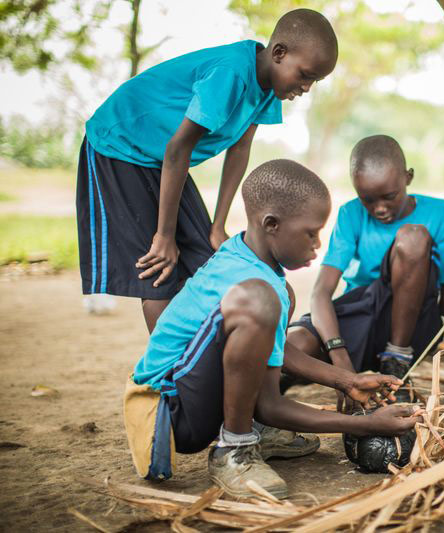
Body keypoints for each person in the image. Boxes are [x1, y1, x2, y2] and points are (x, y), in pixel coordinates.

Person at [124, 160, 420, 498]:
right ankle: (234, 449)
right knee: (262, 301)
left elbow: (275, 349)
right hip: (164, 414)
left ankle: (253, 431)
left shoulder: (246, 256)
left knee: (276, 299)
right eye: (311, 233)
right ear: (272, 225)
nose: (317, 244)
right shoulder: (253, 285)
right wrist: (366, 424)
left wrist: (347, 380)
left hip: (186, 395)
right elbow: (272, 405)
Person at [77, 9, 338, 332]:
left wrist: (217, 225)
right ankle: (168, 377)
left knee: (204, 255)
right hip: (120, 144)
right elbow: (178, 148)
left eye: (314, 80)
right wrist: (165, 235)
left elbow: (240, 149)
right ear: (280, 53)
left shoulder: (269, 87)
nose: (307, 87)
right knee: (159, 266)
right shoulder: (230, 73)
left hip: (162, 159)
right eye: (305, 75)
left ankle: (200, 365)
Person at [286, 135, 444, 401]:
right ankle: (267, 401)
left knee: (413, 237)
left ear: (408, 177)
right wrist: (340, 359)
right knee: (293, 345)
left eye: (389, 196)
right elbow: (320, 293)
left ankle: (396, 360)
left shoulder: (443, 214)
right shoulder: (351, 213)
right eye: (368, 199)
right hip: (362, 314)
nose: (379, 209)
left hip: (414, 326)